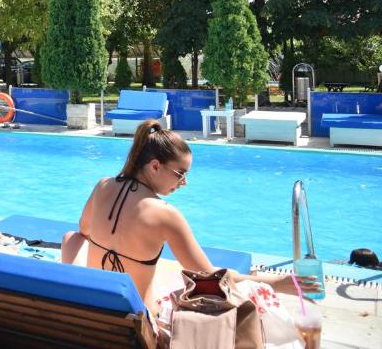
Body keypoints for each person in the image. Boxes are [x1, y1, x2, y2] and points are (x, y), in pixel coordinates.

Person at [60, 120, 321, 312]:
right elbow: (210, 277)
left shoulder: (103, 185)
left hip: (93, 311)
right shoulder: (164, 214)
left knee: (71, 237)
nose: (184, 183)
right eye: (180, 173)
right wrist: (278, 282)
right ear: (154, 166)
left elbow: (82, 231)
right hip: (137, 324)